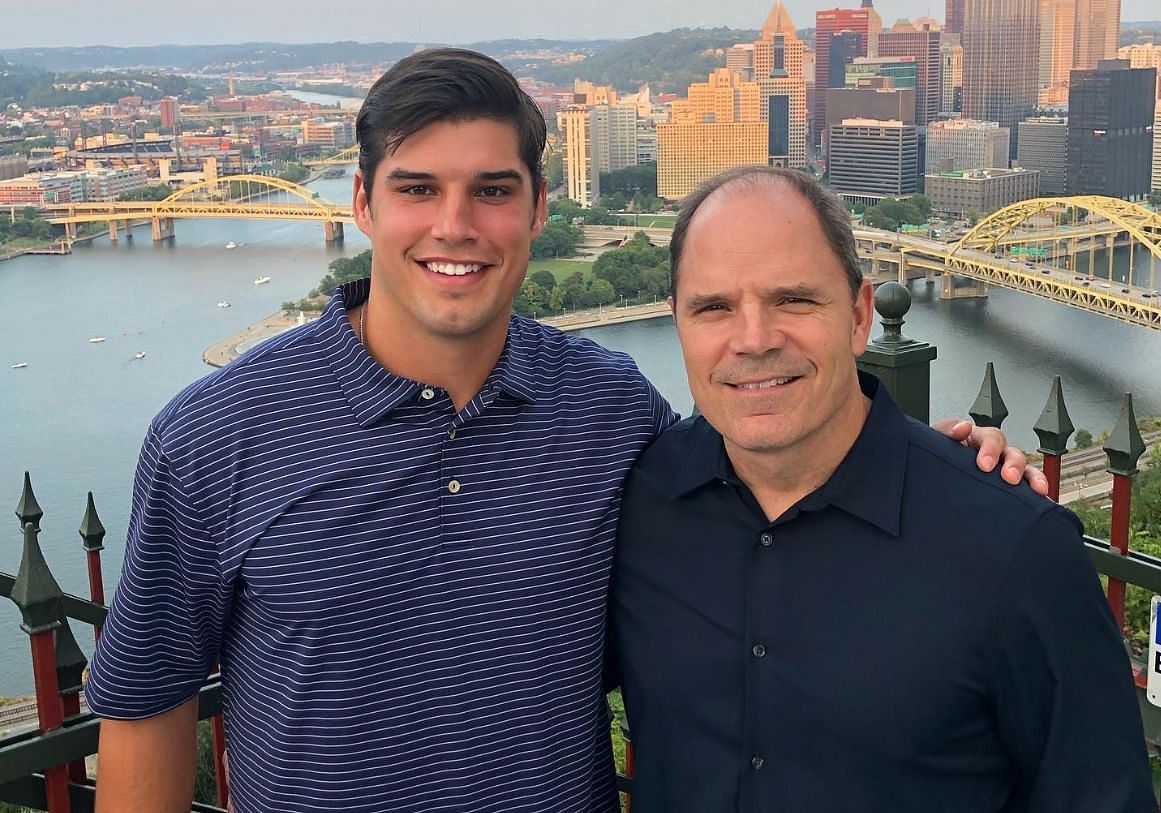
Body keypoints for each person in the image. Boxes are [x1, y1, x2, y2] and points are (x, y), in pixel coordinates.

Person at [86, 51, 1037, 813]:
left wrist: (944, 464)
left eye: (492, 191)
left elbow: (764, 490)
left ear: (539, 206)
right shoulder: (216, 436)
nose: (454, 225)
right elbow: (145, 709)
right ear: (363, 206)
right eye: (416, 189)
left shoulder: (610, 409)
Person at [608, 166, 1155, 813]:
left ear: (859, 315)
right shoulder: (633, 504)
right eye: (713, 307)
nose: (752, 339)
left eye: (794, 299)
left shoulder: (1013, 550)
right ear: (678, 322)